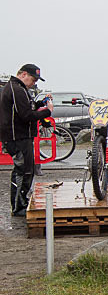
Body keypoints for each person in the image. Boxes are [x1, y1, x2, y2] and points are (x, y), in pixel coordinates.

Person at [0, 64, 53, 216]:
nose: (34, 83)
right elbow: (26, 115)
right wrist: (47, 112)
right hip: (17, 136)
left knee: (25, 170)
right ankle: (18, 206)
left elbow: (27, 108)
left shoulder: (18, 89)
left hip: (19, 136)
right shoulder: (16, 89)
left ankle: (21, 202)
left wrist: (40, 104)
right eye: (33, 79)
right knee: (23, 170)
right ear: (23, 74)